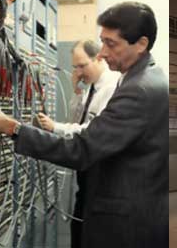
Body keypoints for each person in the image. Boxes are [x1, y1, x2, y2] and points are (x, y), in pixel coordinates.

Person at [0, 1, 169, 248]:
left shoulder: (139, 89)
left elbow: (82, 148)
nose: (102, 53)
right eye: (102, 42)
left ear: (141, 44)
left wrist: (13, 127)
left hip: (125, 226)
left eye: (111, 44)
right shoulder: (143, 79)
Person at [37, 39, 119, 248]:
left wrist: (56, 127)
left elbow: (91, 131)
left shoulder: (111, 87)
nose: (79, 72)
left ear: (98, 58)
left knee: (89, 235)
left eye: (82, 66)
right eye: (75, 67)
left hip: (101, 177)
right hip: (86, 174)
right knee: (79, 231)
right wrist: (76, 92)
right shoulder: (92, 87)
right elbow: (76, 120)